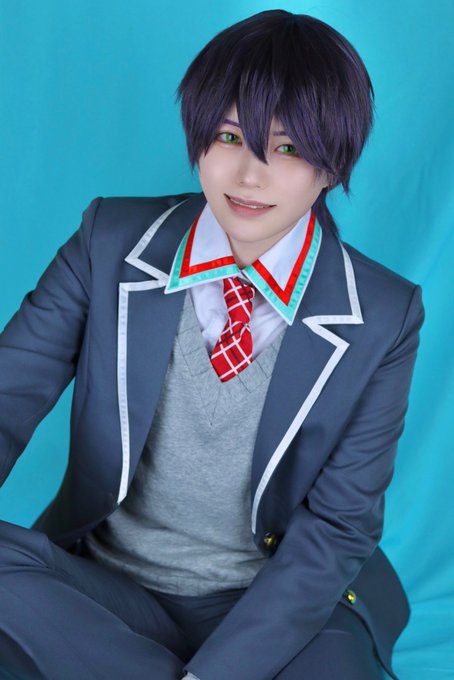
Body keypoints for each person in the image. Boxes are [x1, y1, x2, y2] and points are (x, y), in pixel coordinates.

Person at [0, 9, 424, 680]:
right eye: (230, 136)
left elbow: (337, 528)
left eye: (288, 148)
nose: (250, 175)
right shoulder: (109, 242)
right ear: (200, 140)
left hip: (274, 605)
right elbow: (6, 398)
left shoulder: (383, 313)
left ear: (331, 166)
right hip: (105, 590)